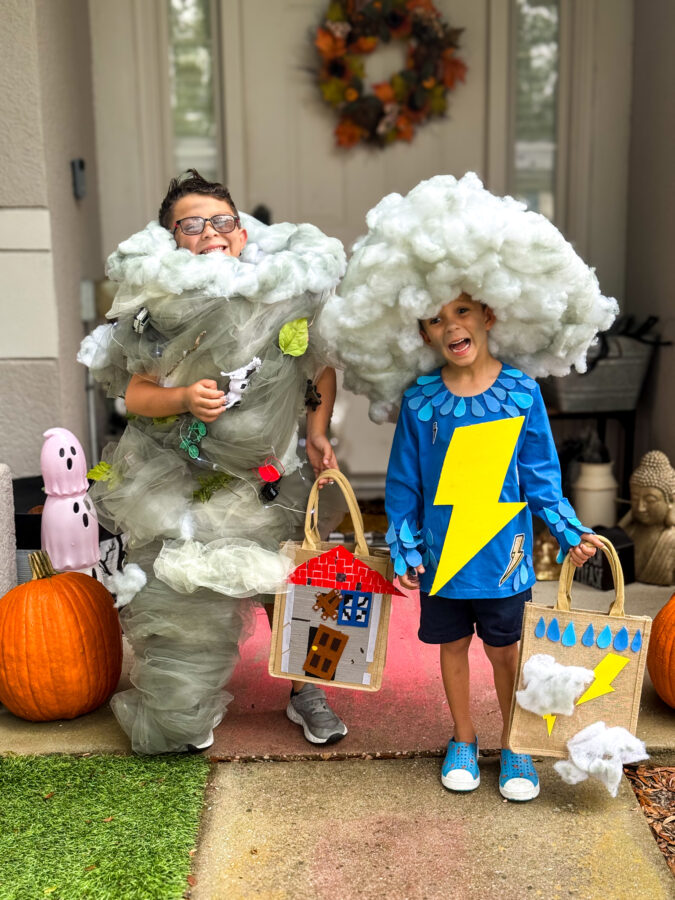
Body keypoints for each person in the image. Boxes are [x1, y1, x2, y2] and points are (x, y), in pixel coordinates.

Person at [317, 173, 617, 801]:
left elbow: (539, 475)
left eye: (460, 310)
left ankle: (514, 744)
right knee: (451, 647)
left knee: (505, 653)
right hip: (443, 553)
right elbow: (403, 485)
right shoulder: (422, 400)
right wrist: (404, 546)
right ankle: (462, 736)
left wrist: (567, 532)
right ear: (419, 333)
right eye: (433, 318)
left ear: (488, 311)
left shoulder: (520, 393)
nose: (450, 326)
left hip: (502, 555)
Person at [79, 170, 348, 752]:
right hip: (182, 475)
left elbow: (319, 366)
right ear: (172, 238)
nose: (210, 234)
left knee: (293, 585)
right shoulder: (163, 307)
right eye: (192, 225)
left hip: (268, 477)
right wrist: (181, 398)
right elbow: (136, 393)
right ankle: (182, 705)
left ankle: (309, 690)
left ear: (242, 232)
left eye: (221, 222)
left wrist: (317, 430)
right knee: (181, 598)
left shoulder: (280, 294)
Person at [619, 450, 675, 585]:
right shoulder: (629, 532)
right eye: (635, 498)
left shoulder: (672, 539)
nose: (640, 507)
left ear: (670, 501)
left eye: (650, 500)